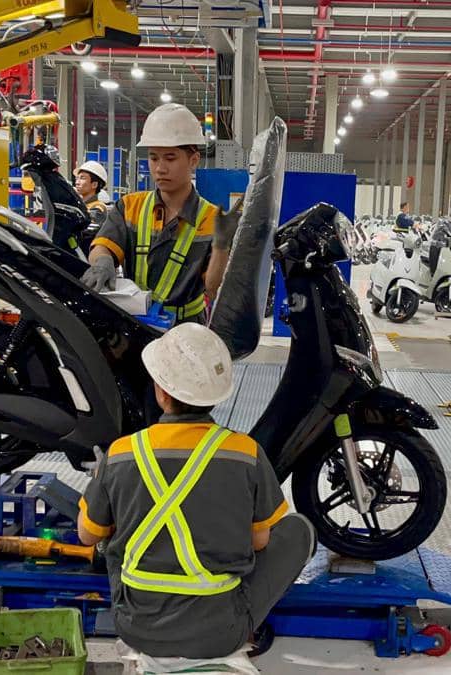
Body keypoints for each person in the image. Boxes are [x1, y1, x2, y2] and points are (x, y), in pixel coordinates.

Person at [77, 323, 315, 660]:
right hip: (220, 634)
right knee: (298, 530)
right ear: (217, 396)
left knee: (110, 541)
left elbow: (87, 535)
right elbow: (260, 543)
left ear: (160, 390)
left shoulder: (122, 453)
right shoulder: (245, 453)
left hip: (135, 628)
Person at [81, 103, 235, 323]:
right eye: (154, 158)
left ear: (193, 160)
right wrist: (102, 262)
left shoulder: (211, 220)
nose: (160, 168)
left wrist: (221, 248)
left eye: (170, 158)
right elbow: (103, 245)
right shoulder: (130, 206)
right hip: (136, 323)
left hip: (186, 329)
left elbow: (213, 288)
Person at [74, 160, 109, 226]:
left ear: (94, 184)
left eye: (82, 178)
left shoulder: (98, 208)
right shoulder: (81, 205)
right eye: (77, 178)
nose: (77, 183)